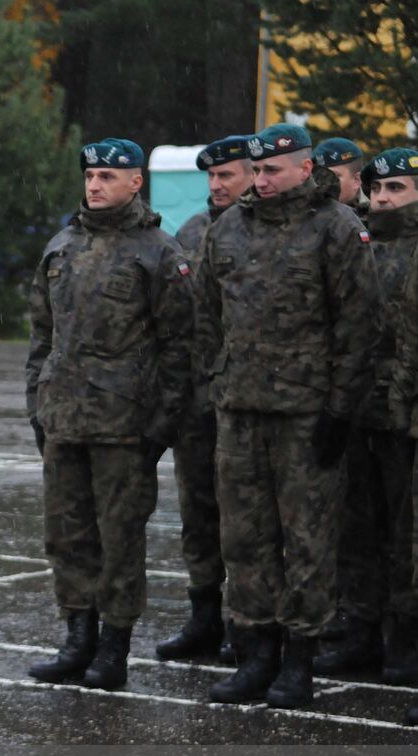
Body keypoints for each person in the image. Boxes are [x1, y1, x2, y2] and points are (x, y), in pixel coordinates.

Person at [198, 124, 379, 708]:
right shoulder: (229, 228)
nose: (262, 180)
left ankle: (299, 662)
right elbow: (205, 314)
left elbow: (360, 327)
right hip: (241, 411)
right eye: (257, 171)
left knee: (307, 540)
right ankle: (257, 656)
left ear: (305, 169)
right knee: (245, 540)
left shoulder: (336, 228)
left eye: (273, 170)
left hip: (306, 414)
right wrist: (216, 381)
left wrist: (339, 410)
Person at [24, 139, 195, 691]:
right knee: (67, 537)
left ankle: (114, 648)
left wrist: (160, 426)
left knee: (120, 540)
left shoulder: (159, 252)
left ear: (135, 182)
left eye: (107, 176)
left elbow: (179, 346)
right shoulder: (62, 246)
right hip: (64, 421)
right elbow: (41, 336)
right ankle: (78, 637)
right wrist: (37, 405)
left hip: (124, 427)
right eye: (90, 175)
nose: (95, 185)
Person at [156, 135, 255, 664]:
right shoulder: (192, 231)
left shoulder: (265, 231)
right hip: (197, 402)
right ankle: (204, 617)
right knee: (199, 512)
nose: (217, 187)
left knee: (251, 520)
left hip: (249, 400)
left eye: (227, 177)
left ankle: (251, 625)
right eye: (211, 178)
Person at [352, 148, 418, 690]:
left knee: (405, 534)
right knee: (358, 528)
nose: (381, 199)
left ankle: (404, 639)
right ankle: (362, 631)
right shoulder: (359, 247)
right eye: (376, 189)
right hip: (357, 410)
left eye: (396, 188)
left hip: (406, 414)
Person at [313, 137, 368, 218]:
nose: (322, 183)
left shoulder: (377, 211)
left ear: (356, 180)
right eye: (317, 176)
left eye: (332, 176)